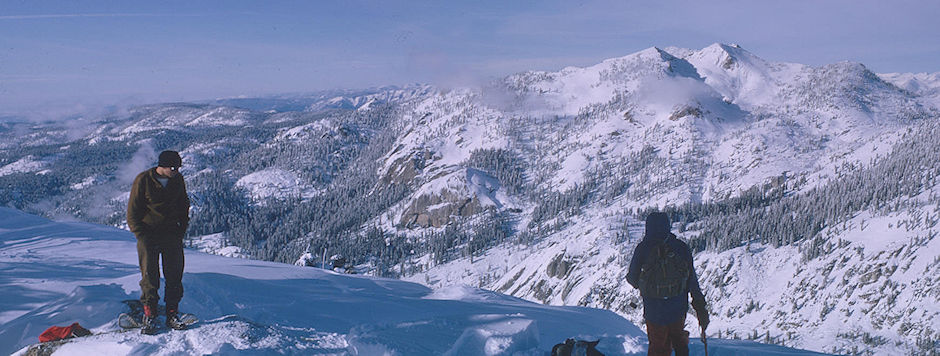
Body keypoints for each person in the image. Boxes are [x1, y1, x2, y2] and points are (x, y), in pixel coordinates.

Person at [127, 150, 190, 334]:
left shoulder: (177, 180)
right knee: (149, 276)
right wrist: (141, 235)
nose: (176, 171)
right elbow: (132, 212)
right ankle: (150, 314)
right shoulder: (143, 180)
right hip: (149, 235)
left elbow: (183, 204)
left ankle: (172, 313)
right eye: (173, 168)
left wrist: (181, 229)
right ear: (162, 166)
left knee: (174, 274)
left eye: (178, 168)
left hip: (171, 234)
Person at [627, 212, 708, 356]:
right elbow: (692, 280)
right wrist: (700, 306)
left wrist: (647, 285)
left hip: (653, 310)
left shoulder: (643, 248)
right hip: (678, 308)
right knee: (679, 342)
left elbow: (632, 279)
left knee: (658, 347)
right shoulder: (681, 247)